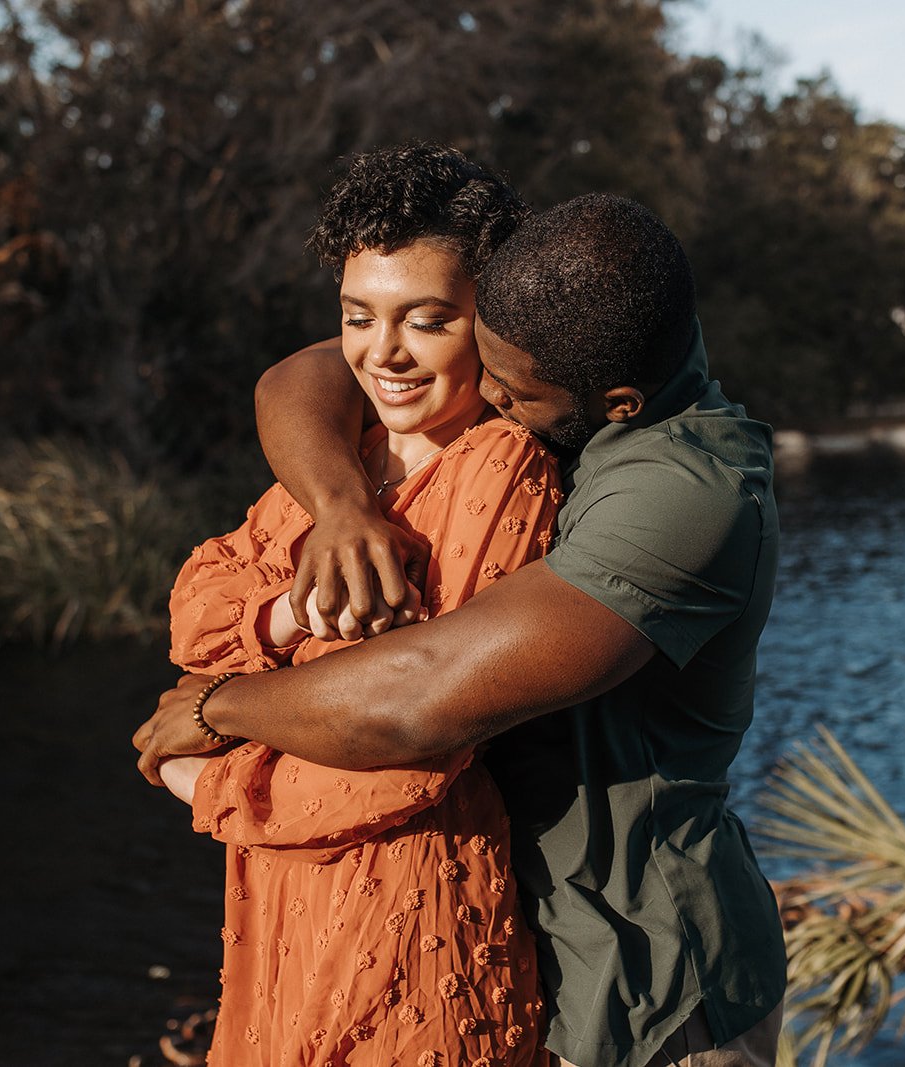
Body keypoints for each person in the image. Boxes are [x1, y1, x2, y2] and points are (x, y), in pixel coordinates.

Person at [136, 193, 789, 1066]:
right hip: (538, 960)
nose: (488, 398)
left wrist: (224, 711)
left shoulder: (684, 495)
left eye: (510, 390)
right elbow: (309, 372)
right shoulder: (576, 350)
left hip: (653, 990)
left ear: (617, 403)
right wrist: (339, 505)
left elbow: (417, 702)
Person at [159, 143, 557, 1066]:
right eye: (358, 317)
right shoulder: (344, 453)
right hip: (275, 903)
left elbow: (415, 748)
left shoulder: (502, 469)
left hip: (409, 908)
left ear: (488, 324)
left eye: (426, 320)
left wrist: (207, 780)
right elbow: (194, 613)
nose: (385, 354)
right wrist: (295, 615)